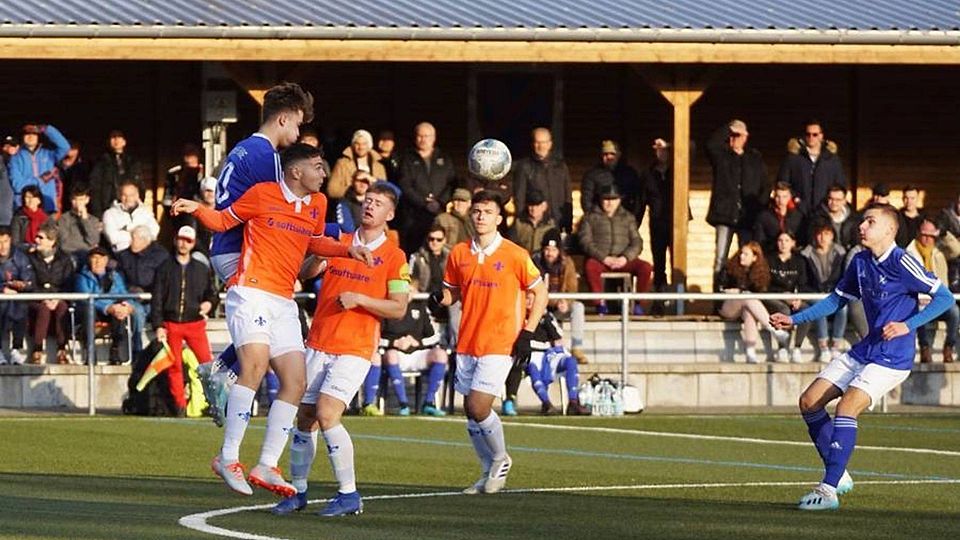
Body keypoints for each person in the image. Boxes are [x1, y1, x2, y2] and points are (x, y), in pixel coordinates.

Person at [172, 143, 368, 498]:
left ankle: (265, 463)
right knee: (256, 365)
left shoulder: (318, 204)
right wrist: (197, 209)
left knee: (296, 380)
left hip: (283, 300)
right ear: (296, 172)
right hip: (250, 291)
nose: (324, 174)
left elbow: (315, 242)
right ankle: (228, 457)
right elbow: (223, 220)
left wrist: (347, 249)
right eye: (318, 167)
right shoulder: (262, 194)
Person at [771, 204, 954, 511]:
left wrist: (907, 325)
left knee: (847, 406)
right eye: (863, 221)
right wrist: (796, 320)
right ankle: (839, 474)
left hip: (893, 358)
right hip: (866, 349)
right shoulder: (859, 261)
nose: (862, 226)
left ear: (889, 230)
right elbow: (837, 300)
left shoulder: (902, 262)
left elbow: (945, 297)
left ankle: (828, 489)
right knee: (809, 401)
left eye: (871, 222)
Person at [273, 183, 408, 517]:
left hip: (356, 347)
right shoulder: (341, 243)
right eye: (367, 201)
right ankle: (297, 491)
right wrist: (321, 252)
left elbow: (399, 308)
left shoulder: (394, 256)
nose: (369, 206)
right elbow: (305, 275)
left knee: (327, 412)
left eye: (378, 203)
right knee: (304, 419)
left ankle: (349, 494)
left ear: (390, 214)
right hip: (319, 341)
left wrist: (360, 299)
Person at [202, 82, 316, 423]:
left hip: (227, 248)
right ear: (282, 119)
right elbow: (278, 212)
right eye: (297, 124)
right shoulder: (269, 159)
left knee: (267, 330)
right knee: (268, 335)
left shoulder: (243, 148)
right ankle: (221, 374)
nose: (298, 134)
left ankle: (222, 369)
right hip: (241, 249)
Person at [432, 190, 548, 495]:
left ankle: (500, 458)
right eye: (477, 211)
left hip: (501, 340)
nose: (481, 216)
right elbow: (452, 292)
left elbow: (541, 293)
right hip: (468, 340)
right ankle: (486, 472)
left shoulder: (515, 254)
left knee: (478, 404)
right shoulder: (459, 252)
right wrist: (439, 300)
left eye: (488, 212)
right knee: (470, 411)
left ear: (499, 218)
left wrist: (528, 332)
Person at [151, 225, 218, 416]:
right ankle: (179, 405)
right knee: (174, 367)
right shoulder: (164, 267)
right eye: (181, 239)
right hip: (172, 323)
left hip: (194, 323)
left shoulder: (201, 268)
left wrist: (208, 304)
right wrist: (158, 325)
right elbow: (157, 299)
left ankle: (212, 403)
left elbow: (212, 294)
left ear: (193, 243)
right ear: (175, 240)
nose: (183, 244)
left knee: (207, 365)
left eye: (187, 241)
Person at [706, 120, 769, 285]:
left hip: (747, 217)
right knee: (721, 258)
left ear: (746, 137)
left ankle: (746, 291)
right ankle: (718, 297)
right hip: (724, 215)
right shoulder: (722, 156)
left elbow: (765, 185)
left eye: (739, 135)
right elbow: (711, 144)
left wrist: (758, 208)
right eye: (732, 135)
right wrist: (728, 129)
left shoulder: (754, 158)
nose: (735, 138)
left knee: (748, 256)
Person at [578, 185, 652, 315]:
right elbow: (585, 242)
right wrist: (604, 258)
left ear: (619, 200)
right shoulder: (590, 217)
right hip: (601, 259)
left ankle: (639, 304)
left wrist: (625, 258)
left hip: (623, 259)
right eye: (606, 199)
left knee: (645, 267)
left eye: (613, 199)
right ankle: (599, 303)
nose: (609, 203)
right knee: (590, 266)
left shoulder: (628, 218)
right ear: (600, 200)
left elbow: (637, 242)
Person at [717, 241, 789, 363]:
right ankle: (774, 329)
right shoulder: (729, 269)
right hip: (726, 306)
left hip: (747, 306)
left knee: (749, 313)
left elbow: (761, 293)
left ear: (755, 257)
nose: (741, 256)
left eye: (746, 254)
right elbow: (720, 288)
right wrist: (731, 291)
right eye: (741, 253)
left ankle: (750, 352)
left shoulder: (760, 273)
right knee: (746, 296)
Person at [379, 301, 448, 416]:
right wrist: (394, 342)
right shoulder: (387, 309)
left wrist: (418, 342)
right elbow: (375, 337)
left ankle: (429, 403)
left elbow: (434, 337)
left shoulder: (420, 308)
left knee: (440, 355)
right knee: (391, 356)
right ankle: (403, 404)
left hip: (418, 353)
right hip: (395, 353)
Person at [398, 122, 456, 255]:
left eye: (427, 136)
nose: (423, 139)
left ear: (434, 138)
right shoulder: (407, 159)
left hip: (439, 214)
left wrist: (440, 202)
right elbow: (405, 185)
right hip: (414, 216)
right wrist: (424, 203)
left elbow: (452, 183)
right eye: (420, 136)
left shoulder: (444, 158)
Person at [906, 219, 958, 363]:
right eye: (924, 234)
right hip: (920, 299)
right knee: (919, 312)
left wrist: (943, 233)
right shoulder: (908, 253)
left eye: (931, 235)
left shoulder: (939, 250)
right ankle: (925, 349)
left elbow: (957, 250)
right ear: (917, 233)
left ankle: (949, 347)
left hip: (939, 299)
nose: (927, 238)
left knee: (955, 312)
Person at [533, 228, 588, 363]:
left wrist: (566, 302)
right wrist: (555, 301)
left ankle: (577, 347)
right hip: (540, 308)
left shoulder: (567, 263)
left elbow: (572, 288)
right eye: (547, 249)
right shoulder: (535, 262)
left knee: (578, 307)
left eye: (553, 250)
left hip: (559, 306)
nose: (550, 254)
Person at [73, 246, 136, 365]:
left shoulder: (115, 276)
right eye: (94, 258)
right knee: (88, 308)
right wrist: (108, 308)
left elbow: (124, 293)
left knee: (120, 311)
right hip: (92, 311)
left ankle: (115, 350)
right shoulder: (82, 277)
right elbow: (85, 296)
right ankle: (91, 352)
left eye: (100, 258)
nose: (97, 261)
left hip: (112, 311)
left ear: (106, 260)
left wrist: (127, 306)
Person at [26, 222, 76, 364]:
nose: (36, 240)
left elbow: (68, 283)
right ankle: (37, 349)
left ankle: (62, 349)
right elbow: (30, 281)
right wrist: (44, 297)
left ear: (52, 241)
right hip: (37, 298)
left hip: (58, 297)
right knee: (43, 309)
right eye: (37, 237)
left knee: (62, 308)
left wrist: (57, 297)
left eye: (41, 238)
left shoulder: (64, 259)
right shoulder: (31, 257)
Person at [524, 312, 590, 415]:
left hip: (550, 353)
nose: (530, 302)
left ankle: (573, 402)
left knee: (571, 361)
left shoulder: (548, 316)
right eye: (528, 298)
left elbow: (558, 339)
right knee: (533, 367)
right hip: (531, 353)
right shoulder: (520, 314)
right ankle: (546, 404)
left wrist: (545, 320)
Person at [777, 119, 846, 217]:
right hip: (797, 211)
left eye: (815, 134)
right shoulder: (793, 158)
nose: (811, 137)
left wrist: (831, 202)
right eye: (808, 134)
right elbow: (782, 183)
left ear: (821, 136)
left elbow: (840, 185)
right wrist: (796, 199)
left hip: (824, 211)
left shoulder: (831, 160)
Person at [764, 232, 813, 363]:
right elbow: (764, 284)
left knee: (806, 311)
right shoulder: (769, 259)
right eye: (780, 240)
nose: (783, 244)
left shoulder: (799, 261)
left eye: (787, 240)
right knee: (783, 311)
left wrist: (799, 298)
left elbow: (804, 283)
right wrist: (784, 295)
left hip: (794, 297)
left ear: (793, 243)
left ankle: (797, 347)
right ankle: (782, 348)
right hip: (774, 297)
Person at [511, 127, 573, 232]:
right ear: (533, 144)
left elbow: (567, 196)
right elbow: (519, 197)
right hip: (535, 224)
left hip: (558, 221)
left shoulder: (560, 166)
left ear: (550, 144)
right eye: (537, 142)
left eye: (544, 142)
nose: (541, 146)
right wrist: (522, 222)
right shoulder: (524, 167)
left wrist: (568, 222)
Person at [801, 223, 848, 361]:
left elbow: (843, 277)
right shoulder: (807, 254)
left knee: (843, 308)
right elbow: (804, 281)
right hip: (814, 293)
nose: (823, 238)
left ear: (832, 236)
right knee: (820, 307)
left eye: (826, 234)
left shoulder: (840, 253)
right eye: (820, 234)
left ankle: (835, 345)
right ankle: (823, 347)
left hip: (834, 292)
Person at [8, 123, 69, 215]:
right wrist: (41, 180)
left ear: (38, 137)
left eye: (34, 134)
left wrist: (46, 129)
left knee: (48, 229)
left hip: (47, 206)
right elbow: (17, 185)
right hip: (25, 208)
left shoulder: (48, 154)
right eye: (27, 134)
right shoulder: (15, 158)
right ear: (23, 137)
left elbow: (65, 147)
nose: (30, 136)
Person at [89, 130, 145, 216]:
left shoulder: (133, 162)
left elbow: (140, 185)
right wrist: (98, 214)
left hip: (130, 206)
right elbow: (95, 189)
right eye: (113, 137)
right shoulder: (101, 162)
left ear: (124, 141)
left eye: (119, 137)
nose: (116, 140)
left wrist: (138, 206)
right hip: (108, 207)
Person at [580, 139, 641, 218]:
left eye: (612, 154)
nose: (609, 157)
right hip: (600, 221)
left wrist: (632, 221)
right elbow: (586, 201)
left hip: (624, 221)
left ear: (619, 155)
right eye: (605, 154)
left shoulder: (630, 174)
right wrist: (593, 221)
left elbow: (637, 200)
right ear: (601, 156)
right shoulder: (591, 175)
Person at [0, 227, 34, 365]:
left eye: (5, 241)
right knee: (2, 306)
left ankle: (16, 349)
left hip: (16, 296)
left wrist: (22, 285)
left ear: (10, 241)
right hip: (2, 296)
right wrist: (2, 289)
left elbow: (30, 280)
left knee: (20, 304)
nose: (2, 246)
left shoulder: (20, 257)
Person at [327, 129, 387, 204]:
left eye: (364, 144)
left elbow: (385, 191)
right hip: (349, 206)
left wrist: (372, 181)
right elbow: (332, 191)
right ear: (353, 145)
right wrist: (354, 189)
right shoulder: (342, 164)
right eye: (357, 144)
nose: (361, 147)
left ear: (369, 146)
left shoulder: (379, 167)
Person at [102, 180, 160, 253]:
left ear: (137, 195)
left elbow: (154, 231)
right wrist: (141, 233)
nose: (128, 199)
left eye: (131, 195)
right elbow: (113, 238)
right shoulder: (109, 214)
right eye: (124, 195)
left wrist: (127, 230)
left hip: (146, 252)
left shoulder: (145, 211)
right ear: (120, 196)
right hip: (122, 253)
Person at [753, 181, 805, 255]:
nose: (781, 200)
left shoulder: (798, 216)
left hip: (794, 255)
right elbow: (759, 240)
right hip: (771, 254)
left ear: (790, 197)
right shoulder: (764, 216)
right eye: (778, 196)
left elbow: (802, 239)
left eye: (784, 196)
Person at [56, 184, 103, 263]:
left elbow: (93, 241)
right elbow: (64, 244)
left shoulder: (93, 220)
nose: (78, 203)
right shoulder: (64, 218)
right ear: (71, 200)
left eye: (81, 199)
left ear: (87, 200)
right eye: (75, 200)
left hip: (88, 255)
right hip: (69, 256)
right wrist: (85, 245)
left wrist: (84, 219)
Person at [809, 184, 861, 250]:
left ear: (844, 201)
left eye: (838, 200)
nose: (834, 202)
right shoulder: (817, 217)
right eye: (831, 199)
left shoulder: (854, 218)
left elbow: (857, 242)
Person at [507, 189, 557, 255]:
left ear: (544, 206)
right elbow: (511, 244)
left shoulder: (551, 225)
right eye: (531, 205)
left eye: (537, 206)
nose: (533, 209)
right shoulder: (519, 223)